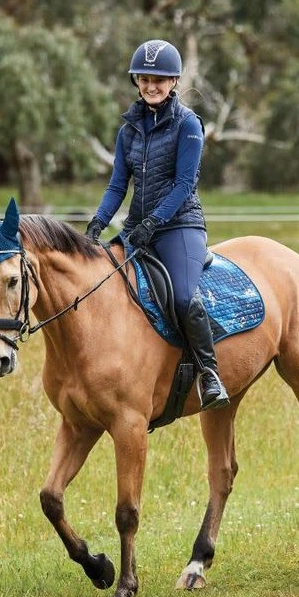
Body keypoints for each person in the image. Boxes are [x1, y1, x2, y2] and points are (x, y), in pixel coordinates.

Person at [85, 39, 229, 411]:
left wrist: (154, 221)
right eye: (145, 79)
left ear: (174, 81)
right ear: (136, 81)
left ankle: (209, 374)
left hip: (181, 227)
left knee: (182, 297)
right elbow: (118, 185)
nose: (152, 86)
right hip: (138, 227)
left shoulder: (188, 124)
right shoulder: (128, 131)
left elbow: (184, 185)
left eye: (159, 80)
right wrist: (98, 223)